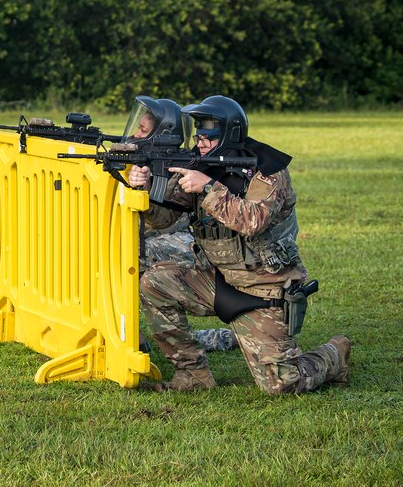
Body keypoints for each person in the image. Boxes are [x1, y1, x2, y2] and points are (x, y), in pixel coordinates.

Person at [129, 95, 350, 393]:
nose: (201, 141)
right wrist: (144, 191)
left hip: (265, 288)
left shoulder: (268, 172)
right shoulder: (203, 164)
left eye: (209, 135)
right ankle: (192, 374)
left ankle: (335, 354)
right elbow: (165, 218)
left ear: (229, 135)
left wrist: (207, 187)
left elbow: (253, 220)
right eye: (199, 134)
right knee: (154, 283)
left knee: (281, 384)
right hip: (219, 280)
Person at [125, 96, 237, 353]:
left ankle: (135, 338)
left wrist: (207, 186)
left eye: (142, 130)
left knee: (130, 255)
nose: (135, 134)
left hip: (202, 249)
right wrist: (142, 187)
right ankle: (135, 337)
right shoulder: (157, 162)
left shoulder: (190, 165)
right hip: (194, 246)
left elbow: (169, 221)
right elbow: (160, 216)